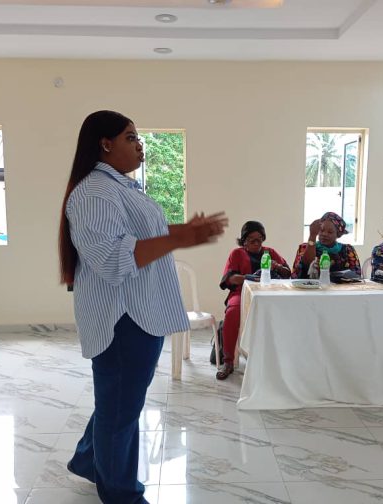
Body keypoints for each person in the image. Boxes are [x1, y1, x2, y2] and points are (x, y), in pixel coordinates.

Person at [58, 110, 227, 504]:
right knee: (120, 410)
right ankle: (122, 495)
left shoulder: (118, 187)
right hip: (123, 319)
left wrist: (182, 232)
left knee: (119, 401)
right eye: (130, 137)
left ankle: (88, 460)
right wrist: (181, 238)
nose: (140, 145)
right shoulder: (94, 193)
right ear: (105, 144)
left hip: (139, 313)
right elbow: (112, 258)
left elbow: (141, 236)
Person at [217, 220, 291, 380]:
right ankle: (228, 361)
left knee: (284, 310)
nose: (257, 243)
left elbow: (288, 273)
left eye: (259, 239)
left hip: (268, 293)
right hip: (241, 292)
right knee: (232, 312)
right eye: (252, 240)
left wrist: (277, 266)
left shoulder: (270, 252)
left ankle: (280, 360)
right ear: (244, 240)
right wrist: (248, 278)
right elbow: (229, 279)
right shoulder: (237, 254)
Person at [292, 212, 361, 279]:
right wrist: (312, 236)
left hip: (340, 287)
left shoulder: (348, 250)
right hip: (310, 287)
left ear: (338, 234)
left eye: (330, 232)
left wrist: (325, 273)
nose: (324, 234)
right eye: (321, 230)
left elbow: (356, 274)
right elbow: (304, 267)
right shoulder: (305, 248)